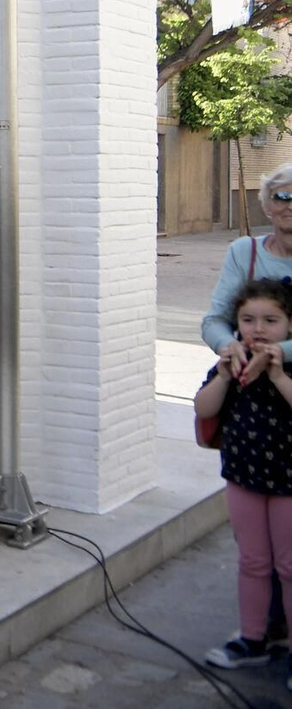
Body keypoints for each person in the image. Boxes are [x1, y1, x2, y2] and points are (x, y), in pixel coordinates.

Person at [202, 163, 292, 654]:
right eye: (281, 196)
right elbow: (216, 319)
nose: (289, 207)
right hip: (250, 416)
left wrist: (278, 356)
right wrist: (228, 349)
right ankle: (258, 635)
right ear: (265, 204)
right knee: (256, 554)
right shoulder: (247, 253)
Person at [195, 278, 292, 684]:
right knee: (252, 561)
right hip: (243, 476)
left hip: (288, 482)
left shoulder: (285, 366)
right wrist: (222, 375)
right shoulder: (233, 365)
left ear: (289, 326)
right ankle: (252, 638)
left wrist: (277, 375)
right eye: (248, 319)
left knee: (289, 566)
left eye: (271, 320)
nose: (258, 329)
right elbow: (204, 407)